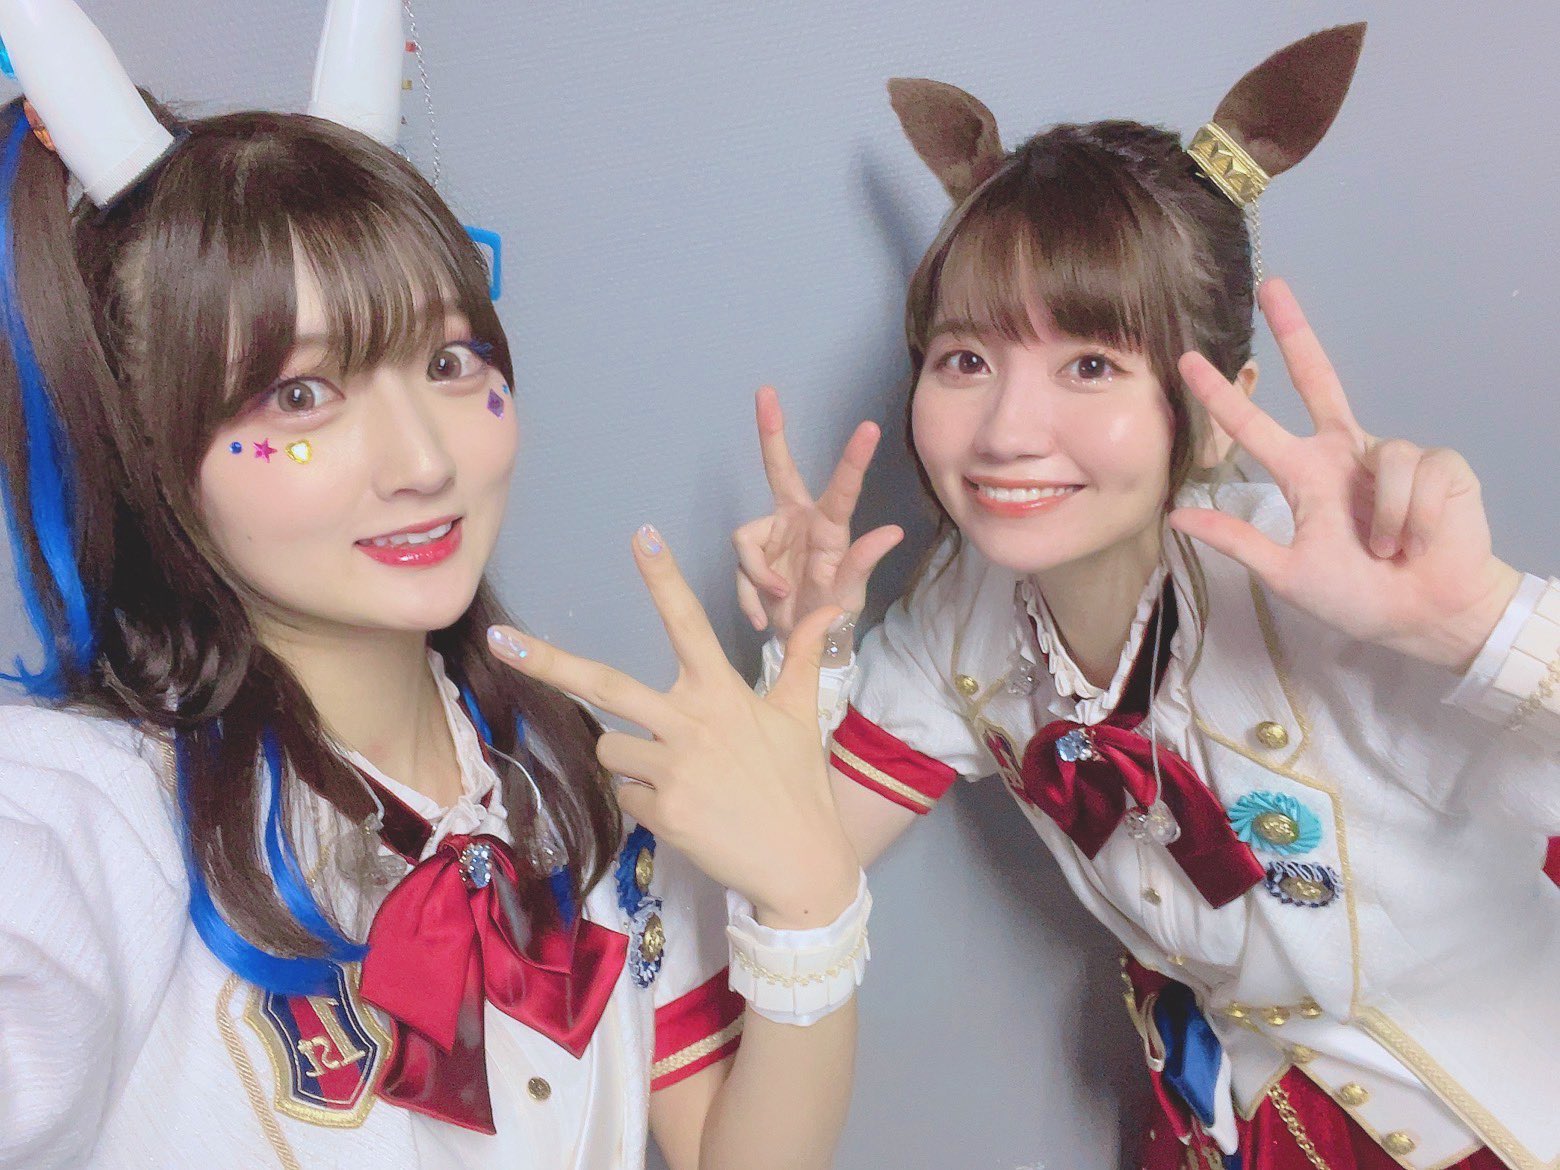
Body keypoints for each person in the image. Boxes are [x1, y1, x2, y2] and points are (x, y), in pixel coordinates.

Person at [0, 2, 867, 1168]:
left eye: (450, 361)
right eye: (300, 396)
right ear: (150, 444)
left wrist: (811, 896)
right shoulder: (94, 814)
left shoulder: (574, 778)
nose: (423, 462)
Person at [734, 23, 1560, 1170]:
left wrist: (1481, 628)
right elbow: (798, 853)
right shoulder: (963, 613)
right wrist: (809, 642)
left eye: (1091, 363)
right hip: (1222, 1121)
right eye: (966, 359)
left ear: (1215, 413)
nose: (1008, 431)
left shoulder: (1340, 589)